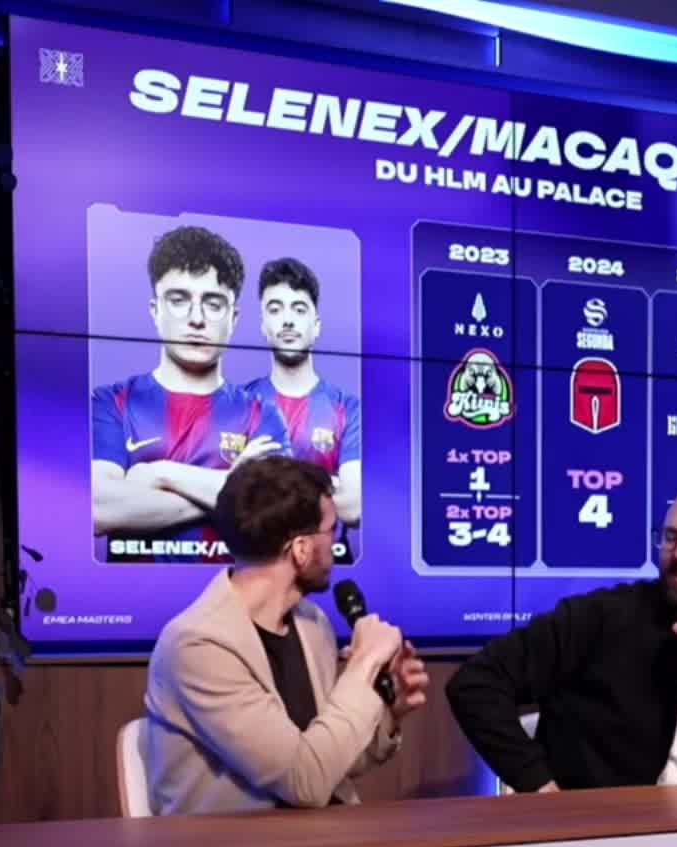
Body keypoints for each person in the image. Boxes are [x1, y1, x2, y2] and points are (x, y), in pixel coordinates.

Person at [447, 486, 677, 791]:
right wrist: (539, 786)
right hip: (600, 836)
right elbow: (475, 682)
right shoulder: (599, 617)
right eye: (671, 537)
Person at [142, 454, 428, 814]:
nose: (335, 544)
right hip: (234, 844)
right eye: (331, 530)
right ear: (301, 549)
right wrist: (365, 663)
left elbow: (329, 760)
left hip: (322, 836)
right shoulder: (198, 646)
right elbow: (304, 782)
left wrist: (388, 710)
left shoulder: (312, 623)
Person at [91, 225, 289, 554]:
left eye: (213, 303)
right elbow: (100, 509)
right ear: (155, 311)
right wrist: (234, 489)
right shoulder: (112, 402)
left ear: (233, 318)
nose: (196, 318)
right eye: (179, 300)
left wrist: (159, 473)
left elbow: (275, 516)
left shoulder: (262, 414)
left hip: (237, 586)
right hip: (133, 586)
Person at [242, 257, 365, 554]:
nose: (287, 320)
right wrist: (325, 483)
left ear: (316, 326)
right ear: (263, 325)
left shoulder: (347, 408)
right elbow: (228, 501)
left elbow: (353, 507)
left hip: (328, 565)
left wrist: (266, 483)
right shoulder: (240, 403)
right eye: (275, 309)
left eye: (299, 309)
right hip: (258, 565)